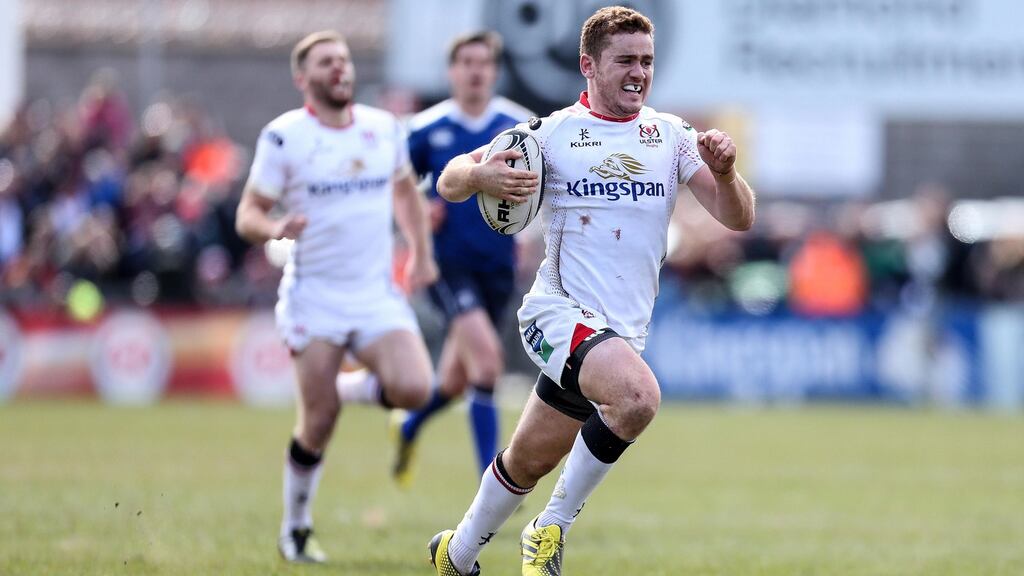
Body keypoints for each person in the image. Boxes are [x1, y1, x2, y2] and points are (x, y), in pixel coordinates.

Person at [425, 7, 755, 576]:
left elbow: (739, 219)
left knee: (526, 461)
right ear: (588, 65)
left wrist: (725, 174)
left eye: (646, 61)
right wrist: (479, 176)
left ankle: (455, 556)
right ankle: (549, 528)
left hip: (619, 331)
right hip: (557, 314)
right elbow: (448, 181)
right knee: (637, 399)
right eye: (625, 60)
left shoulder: (671, 137)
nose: (639, 72)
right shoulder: (551, 135)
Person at [234, 30, 436, 564]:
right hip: (315, 297)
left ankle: (346, 389)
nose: (340, 69)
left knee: (416, 387)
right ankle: (295, 527)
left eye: (343, 61)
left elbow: (405, 194)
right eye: (326, 63)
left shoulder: (381, 128)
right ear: (304, 79)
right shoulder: (284, 137)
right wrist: (273, 225)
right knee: (317, 423)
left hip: (374, 293)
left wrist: (421, 252)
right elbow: (246, 214)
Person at [390, 31, 533, 487]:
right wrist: (417, 217)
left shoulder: (520, 125)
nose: (475, 70)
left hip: (498, 266)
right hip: (448, 266)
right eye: (466, 62)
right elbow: (396, 185)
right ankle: (490, 487)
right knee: (488, 365)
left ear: (494, 70)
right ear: (452, 71)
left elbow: (545, 184)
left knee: (454, 382)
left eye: (483, 62)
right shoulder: (427, 128)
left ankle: (409, 426)